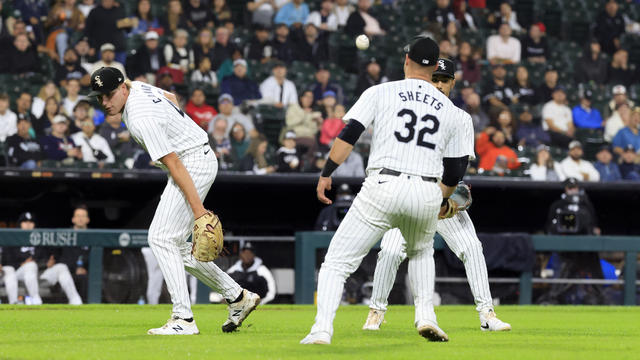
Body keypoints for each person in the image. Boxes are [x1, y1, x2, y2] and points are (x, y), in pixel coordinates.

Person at [301, 37, 475, 345]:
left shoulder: (381, 91)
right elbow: (457, 165)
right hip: (426, 190)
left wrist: (327, 172)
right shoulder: (451, 111)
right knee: (421, 252)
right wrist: (443, 196)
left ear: (406, 60)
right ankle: (425, 316)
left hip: (383, 184)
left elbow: (350, 133)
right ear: (435, 67)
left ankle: (322, 330)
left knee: (337, 262)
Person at [88, 67, 260, 334]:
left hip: (190, 162)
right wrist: (177, 130)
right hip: (195, 156)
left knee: (160, 238)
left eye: (109, 94)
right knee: (177, 247)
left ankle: (183, 319)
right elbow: (171, 98)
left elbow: (174, 162)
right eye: (100, 97)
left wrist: (199, 211)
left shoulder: (140, 116)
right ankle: (238, 297)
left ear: (122, 88)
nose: (105, 102)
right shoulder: (140, 87)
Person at [1, 212, 83, 305]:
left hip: (39, 275)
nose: (28, 224)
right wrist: (21, 264)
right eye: (25, 222)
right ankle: (36, 301)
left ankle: (76, 301)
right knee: (30, 265)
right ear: (20, 224)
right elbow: (6, 262)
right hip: (17, 276)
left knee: (61, 267)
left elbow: (50, 255)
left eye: (31, 222)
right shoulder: (13, 239)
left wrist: (49, 262)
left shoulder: (40, 239)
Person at [84, 0, 129, 65]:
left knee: (119, 72)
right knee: (103, 72)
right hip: (101, 48)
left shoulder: (120, 11)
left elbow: (127, 29)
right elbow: (87, 31)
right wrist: (91, 46)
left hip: (118, 49)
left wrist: (129, 24)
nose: (108, 1)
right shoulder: (94, 12)